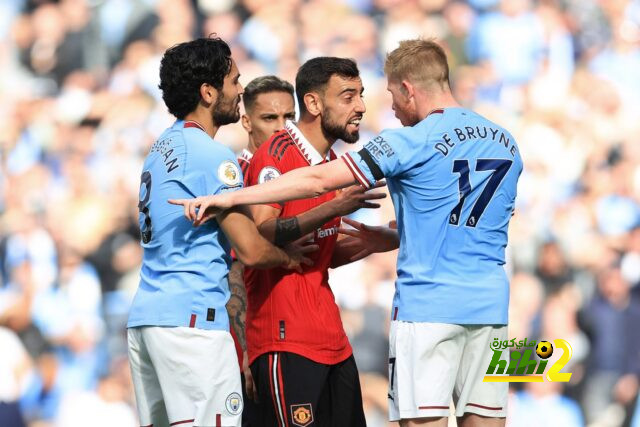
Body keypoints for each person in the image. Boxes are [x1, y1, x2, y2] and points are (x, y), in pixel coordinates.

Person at [171, 39, 524, 427]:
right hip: (492, 308)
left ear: (408, 88)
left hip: (428, 310)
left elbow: (318, 179)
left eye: (390, 94)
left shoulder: (410, 140)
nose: (387, 107)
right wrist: (388, 238)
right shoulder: (507, 142)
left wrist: (231, 197)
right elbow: (465, 223)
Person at [127, 37, 313, 427]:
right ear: (208, 92)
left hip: (148, 320)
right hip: (192, 324)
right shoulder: (212, 156)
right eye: (234, 81)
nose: (241, 90)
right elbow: (251, 250)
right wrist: (289, 258)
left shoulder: (160, 147)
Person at [214, 57, 384, 427]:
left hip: (332, 337)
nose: (360, 106)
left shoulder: (333, 163)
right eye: (348, 96)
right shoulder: (273, 155)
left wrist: (375, 242)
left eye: (361, 95)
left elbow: (315, 253)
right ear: (314, 104)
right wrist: (335, 206)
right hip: (283, 337)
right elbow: (264, 231)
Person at [227, 75, 296, 427]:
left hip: (293, 337)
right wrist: (246, 349)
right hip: (250, 347)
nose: (282, 128)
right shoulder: (236, 180)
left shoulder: (297, 178)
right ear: (246, 121)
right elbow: (234, 266)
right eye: (271, 119)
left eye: (289, 117)